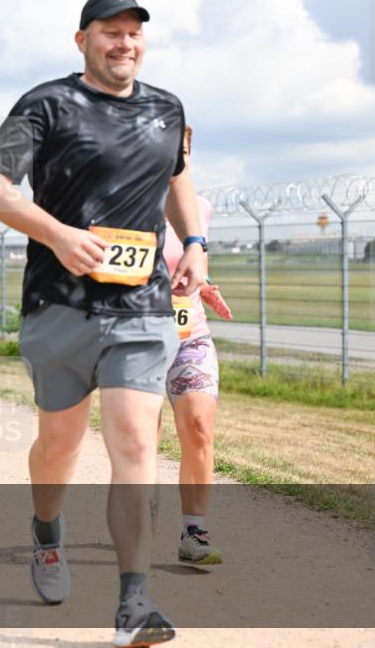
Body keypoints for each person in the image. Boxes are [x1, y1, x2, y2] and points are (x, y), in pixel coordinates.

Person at [0, 0, 206, 647]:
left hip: (143, 308)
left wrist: (197, 247)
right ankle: (47, 531)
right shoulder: (44, 104)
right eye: (110, 32)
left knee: (133, 441)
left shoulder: (168, 107)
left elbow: (179, 179)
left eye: (134, 33)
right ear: (82, 41)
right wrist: (58, 235)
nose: (124, 43)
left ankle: (134, 600)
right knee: (60, 448)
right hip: (60, 307)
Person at [161, 126, 234, 566]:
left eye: (184, 150)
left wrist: (204, 286)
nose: (178, 158)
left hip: (190, 333)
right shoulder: (121, 204)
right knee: (139, 437)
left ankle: (195, 531)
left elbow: (194, 264)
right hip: (136, 336)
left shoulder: (199, 208)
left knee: (200, 427)